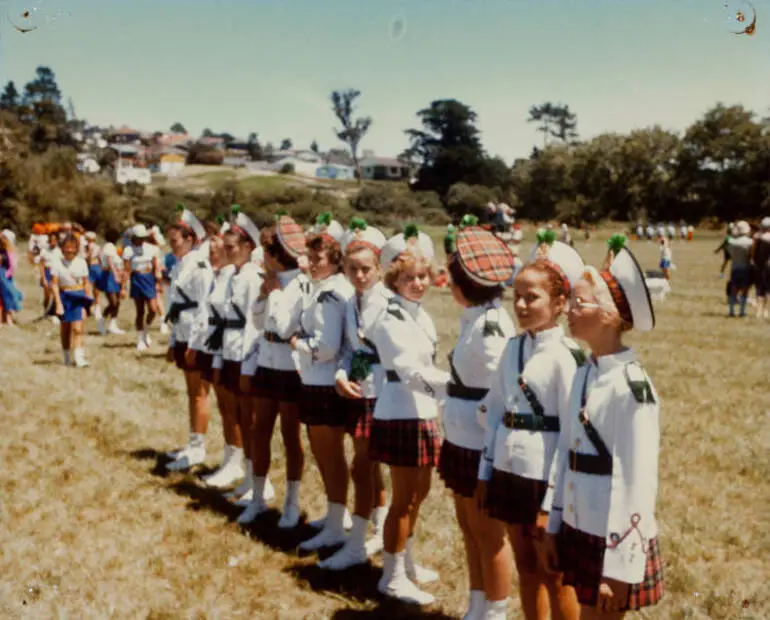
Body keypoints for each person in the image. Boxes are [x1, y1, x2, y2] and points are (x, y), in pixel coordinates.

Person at [542, 237, 664, 619]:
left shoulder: (632, 388)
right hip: (580, 524)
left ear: (610, 316)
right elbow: (567, 454)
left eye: (580, 303)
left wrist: (622, 567)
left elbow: (637, 481)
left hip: (613, 538)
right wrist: (553, 520)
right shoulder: (584, 372)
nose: (569, 311)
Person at [475, 230, 584, 620]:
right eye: (515, 296)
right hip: (509, 469)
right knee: (526, 566)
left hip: (545, 477)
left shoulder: (566, 356)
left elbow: (571, 435)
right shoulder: (512, 347)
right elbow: (496, 414)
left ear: (559, 303)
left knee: (554, 573)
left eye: (531, 297)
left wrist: (550, 503)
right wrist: (486, 472)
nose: (520, 305)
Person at [438, 222, 518, 620]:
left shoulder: (490, 330)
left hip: (480, 445)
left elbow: (501, 396)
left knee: (488, 535)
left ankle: (496, 611)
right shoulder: (474, 319)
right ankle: (476, 603)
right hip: (461, 439)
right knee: (469, 530)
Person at [368, 224, 450, 605]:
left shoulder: (422, 316)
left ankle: (407, 560)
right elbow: (410, 373)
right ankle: (392, 575)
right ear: (393, 280)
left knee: (419, 494)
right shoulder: (390, 318)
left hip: (423, 412)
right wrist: (457, 391)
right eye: (408, 278)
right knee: (402, 499)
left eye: (422, 276)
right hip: (401, 411)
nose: (418, 283)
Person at [320, 217, 390, 571]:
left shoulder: (389, 304)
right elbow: (350, 349)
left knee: (362, 465)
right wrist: (340, 372)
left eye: (366, 269)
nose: (360, 276)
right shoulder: (351, 302)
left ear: (379, 269)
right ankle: (379, 528)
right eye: (352, 269)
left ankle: (358, 542)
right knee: (366, 466)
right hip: (357, 391)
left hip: (383, 394)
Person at [291, 213, 355, 551]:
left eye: (318, 258)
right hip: (318, 380)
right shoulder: (326, 288)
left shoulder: (332, 293)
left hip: (324, 382)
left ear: (335, 259)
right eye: (310, 257)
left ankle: (336, 523)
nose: (311, 263)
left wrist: (299, 345)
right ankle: (336, 516)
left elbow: (327, 346)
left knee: (329, 456)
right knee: (327, 456)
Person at [240, 212, 307, 528]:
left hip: (291, 368)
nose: (261, 259)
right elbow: (257, 320)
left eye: (264, 254)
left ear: (274, 256)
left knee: (290, 436)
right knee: (259, 430)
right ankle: (257, 498)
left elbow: (283, 327)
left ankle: (292, 503)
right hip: (267, 362)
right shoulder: (271, 282)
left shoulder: (298, 286)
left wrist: (275, 292)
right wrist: (264, 295)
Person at [163, 207, 217, 472]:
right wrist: (174, 341)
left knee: (199, 394)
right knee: (192, 393)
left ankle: (198, 447)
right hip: (183, 332)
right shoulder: (180, 263)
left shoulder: (200, 266)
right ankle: (193, 440)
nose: (171, 246)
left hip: (197, 336)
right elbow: (175, 305)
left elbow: (204, 307)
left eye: (175, 241)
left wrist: (195, 343)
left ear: (190, 239)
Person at [49, 234, 93, 367]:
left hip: (78, 296)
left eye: (72, 248)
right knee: (66, 329)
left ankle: (79, 357)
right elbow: (54, 284)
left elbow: (86, 283)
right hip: (65, 296)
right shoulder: (57, 263)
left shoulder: (81, 262)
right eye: (67, 247)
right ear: (62, 248)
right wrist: (58, 304)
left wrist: (89, 300)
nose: (69, 250)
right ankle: (66, 356)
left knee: (78, 328)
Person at [122, 224, 162, 350]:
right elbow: (127, 270)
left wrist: (158, 282)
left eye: (143, 237)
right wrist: (123, 287)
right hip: (136, 279)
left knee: (153, 309)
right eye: (138, 237)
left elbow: (156, 267)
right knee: (140, 310)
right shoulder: (128, 250)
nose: (140, 240)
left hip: (149, 278)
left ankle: (146, 329)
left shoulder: (151, 249)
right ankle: (140, 339)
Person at [95, 228, 126, 335]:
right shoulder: (109, 247)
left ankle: (112, 324)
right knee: (113, 302)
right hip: (109, 275)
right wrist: (116, 274)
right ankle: (101, 321)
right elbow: (110, 261)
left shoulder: (112, 247)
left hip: (114, 274)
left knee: (117, 302)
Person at [726, 221, 754, 318]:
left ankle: (731, 311)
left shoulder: (732, 242)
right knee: (744, 290)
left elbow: (730, 254)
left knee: (734, 289)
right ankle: (742, 311)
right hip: (745, 267)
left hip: (734, 267)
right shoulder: (750, 242)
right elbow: (751, 256)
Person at [0, 230, 23, 325]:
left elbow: (13, 265)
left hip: (4, 276)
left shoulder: (10, 251)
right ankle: (2, 318)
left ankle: (8, 318)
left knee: (8, 296)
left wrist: (6, 275)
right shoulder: (1, 249)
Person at [752, 217, 770, 320]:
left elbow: (753, 253)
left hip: (760, 266)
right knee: (769, 290)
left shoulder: (757, 237)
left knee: (759, 289)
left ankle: (759, 312)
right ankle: (767, 311)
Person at [84, 232, 103, 325]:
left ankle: (97, 308)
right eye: (87, 239)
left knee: (97, 290)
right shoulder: (83, 248)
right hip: (87, 268)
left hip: (95, 267)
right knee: (87, 289)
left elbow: (100, 259)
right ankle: (90, 308)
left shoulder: (97, 247)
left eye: (90, 239)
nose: (89, 241)